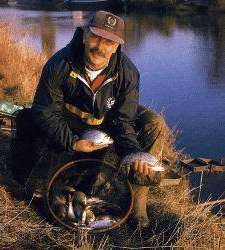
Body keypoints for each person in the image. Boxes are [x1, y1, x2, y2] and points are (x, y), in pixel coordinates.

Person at [30, 10, 171, 229]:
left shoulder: (128, 73)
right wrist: (73, 142)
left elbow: (122, 121)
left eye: (109, 41)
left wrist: (133, 154)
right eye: (96, 37)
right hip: (70, 120)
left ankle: (137, 207)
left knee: (154, 123)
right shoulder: (58, 64)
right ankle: (67, 192)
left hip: (106, 120)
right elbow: (45, 111)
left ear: (116, 46)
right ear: (85, 35)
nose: (100, 47)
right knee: (45, 146)